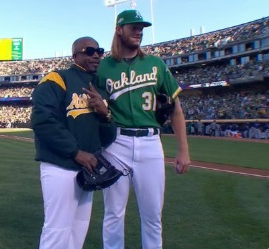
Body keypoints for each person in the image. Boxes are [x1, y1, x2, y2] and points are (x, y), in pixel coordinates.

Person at [96, 10, 191, 249]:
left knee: (152, 216)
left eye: (142, 27)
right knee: (113, 214)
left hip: (150, 144)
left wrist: (183, 150)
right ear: (119, 29)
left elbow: (176, 109)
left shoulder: (155, 64)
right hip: (115, 144)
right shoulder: (103, 67)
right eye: (133, 26)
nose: (139, 31)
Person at [31, 37, 116, 249]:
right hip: (60, 166)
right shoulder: (58, 78)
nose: (95, 55)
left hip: (87, 170)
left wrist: (105, 114)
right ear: (75, 55)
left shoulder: (101, 88)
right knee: (57, 231)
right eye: (89, 51)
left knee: (78, 231)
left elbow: (107, 138)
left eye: (99, 51)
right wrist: (75, 151)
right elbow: (42, 120)